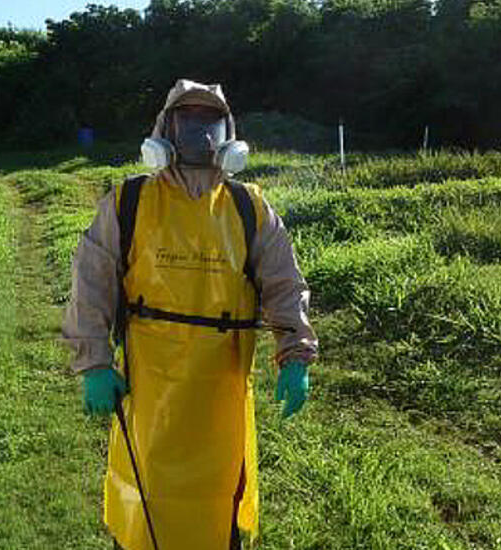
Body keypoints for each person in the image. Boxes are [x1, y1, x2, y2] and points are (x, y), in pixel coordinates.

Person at [63, 79, 318, 550]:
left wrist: (296, 352)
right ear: (165, 130)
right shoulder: (130, 202)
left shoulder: (249, 208)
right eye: (188, 122)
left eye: (210, 123)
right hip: (150, 384)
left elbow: (284, 282)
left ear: (228, 134)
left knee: (217, 497)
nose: (200, 135)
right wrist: (95, 363)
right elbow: (91, 281)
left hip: (219, 387)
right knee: (148, 495)